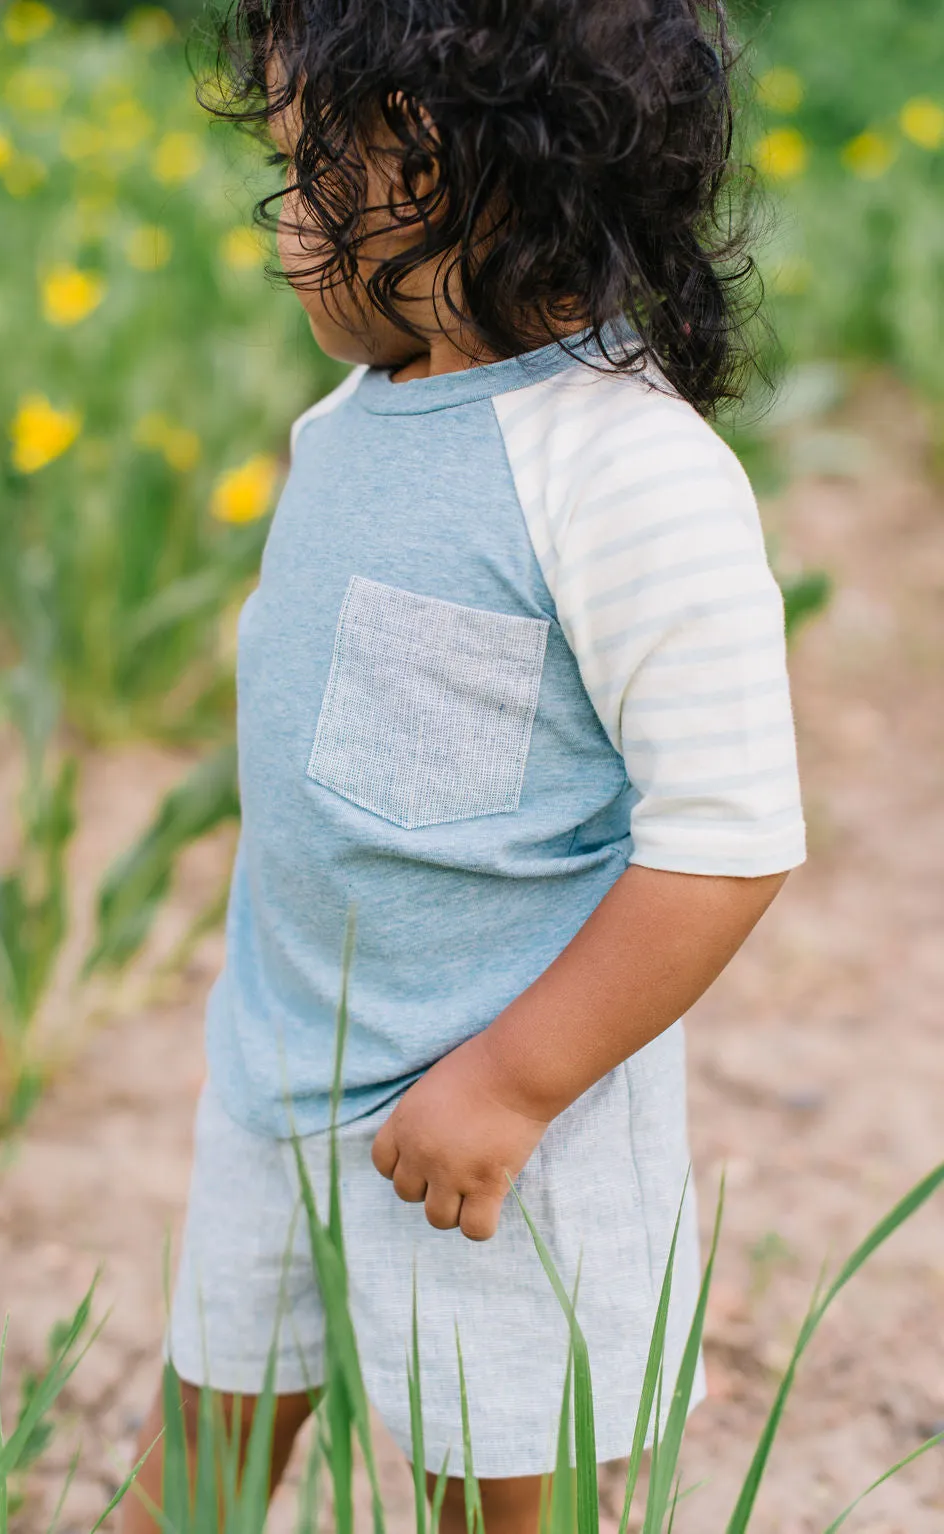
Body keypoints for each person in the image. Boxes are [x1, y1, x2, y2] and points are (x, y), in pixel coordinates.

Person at [123, 1, 805, 1529]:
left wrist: (514, 1078)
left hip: (506, 1111)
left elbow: (731, 833)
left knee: (502, 1494)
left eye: (308, 177)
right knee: (201, 1463)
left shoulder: (627, 471)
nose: (287, 227)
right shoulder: (357, 418)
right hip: (284, 1064)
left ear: (437, 173)